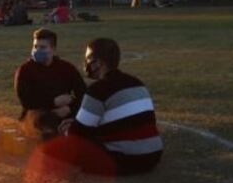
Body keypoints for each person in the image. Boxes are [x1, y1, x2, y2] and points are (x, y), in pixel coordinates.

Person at [65, 38, 163, 175]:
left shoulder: (98, 90)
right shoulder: (137, 83)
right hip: (153, 157)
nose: (86, 63)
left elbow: (77, 133)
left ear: (98, 62)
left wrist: (66, 129)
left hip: (125, 161)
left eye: (88, 58)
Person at [14, 29, 87, 139]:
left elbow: (83, 94)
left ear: (53, 49)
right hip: (38, 115)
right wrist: (53, 103)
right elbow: (27, 101)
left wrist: (71, 108)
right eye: (35, 47)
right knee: (45, 122)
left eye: (42, 47)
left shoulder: (66, 68)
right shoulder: (25, 70)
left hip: (65, 111)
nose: (37, 51)